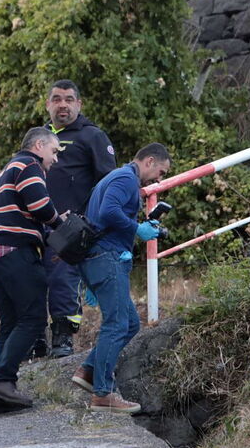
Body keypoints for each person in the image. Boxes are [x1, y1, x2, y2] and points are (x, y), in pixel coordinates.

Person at [70, 143, 171, 413]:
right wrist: (138, 228)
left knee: (129, 324)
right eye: (160, 172)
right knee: (116, 324)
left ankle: (89, 371)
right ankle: (103, 393)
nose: (159, 179)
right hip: (106, 258)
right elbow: (108, 212)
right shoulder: (126, 178)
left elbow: (105, 214)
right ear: (149, 161)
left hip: (99, 258)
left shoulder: (118, 177)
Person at [0, 127, 64, 415]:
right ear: (39, 146)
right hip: (16, 249)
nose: (54, 160)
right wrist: (60, 223)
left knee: (11, 322)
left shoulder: (6, 170)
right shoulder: (29, 164)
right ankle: (3, 382)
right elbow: (40, 205)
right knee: (33, 318)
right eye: (54, 152)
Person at [42, 79, 117, 358]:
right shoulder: (37, 136)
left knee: (63, 282)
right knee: (31, 283)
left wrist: (96, 226)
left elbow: (109, 184)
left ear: (79, 104)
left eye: (69, 99)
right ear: (48, 104)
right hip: (35, 223)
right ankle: (35, 340)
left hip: (71, 227)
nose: (63, 104)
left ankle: (62, 339)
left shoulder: (92, 136)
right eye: (57, 99)